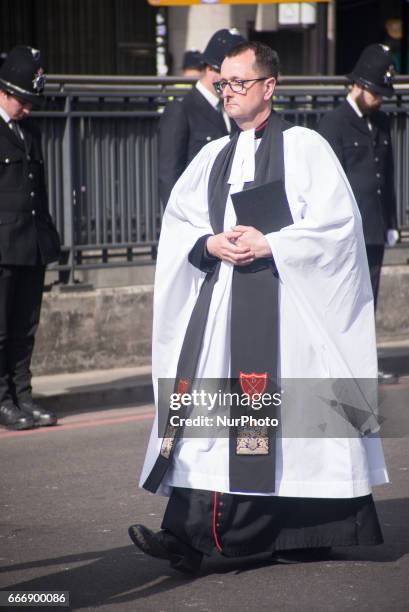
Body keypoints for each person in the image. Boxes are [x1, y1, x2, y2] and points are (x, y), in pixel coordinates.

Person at [129, 42, 388, 574]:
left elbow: (339, 230)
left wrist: (275, 244)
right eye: (222, 84)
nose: (228, 93)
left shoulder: (306, 147)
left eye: (238, 83)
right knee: (210, 426)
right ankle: (187, 532)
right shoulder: (210, 156)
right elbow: (178, 225)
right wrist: (208, 244)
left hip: (288, 311)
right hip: (223, 310)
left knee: (293, 430)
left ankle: (309, 528)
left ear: (269, 86)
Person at [318, 43, 399, 384]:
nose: (381, 99)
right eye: (377, 92)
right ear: (361, 86)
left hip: (374, 227)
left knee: (369, 300)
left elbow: (387, 175)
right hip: (345, 231)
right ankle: (337, 367)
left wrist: (392, 222)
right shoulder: (333, 123)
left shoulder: (378, 122)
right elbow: (324, 182)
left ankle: (364, 364)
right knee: (343, 300)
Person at [0, 46, 60, 431]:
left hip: (31, 242)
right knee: (2, 328)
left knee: (25, 327)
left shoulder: (29, 131)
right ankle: (3, 400)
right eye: (23, 100)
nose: (28, 108)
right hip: (3, 246)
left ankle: (23, 394)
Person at [158, 28, 245, 206]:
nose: (234, 85)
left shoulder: (231, 108)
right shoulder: (182, 109)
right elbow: (169, 175)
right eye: (230, 77)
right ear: (212, 69)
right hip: (197, 212)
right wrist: (180, 224)